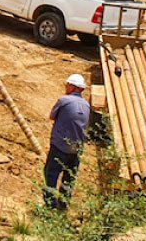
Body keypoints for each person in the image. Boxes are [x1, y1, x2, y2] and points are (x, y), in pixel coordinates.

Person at [43, 73, 91, 210]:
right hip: (76, 149)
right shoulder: (87, 105)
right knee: (69, 178)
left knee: (51, 174)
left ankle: (50, 206)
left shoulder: (64, 101)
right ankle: (63, 204)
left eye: (67, 85)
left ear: (71, 87)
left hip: (60, 146)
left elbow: (52, 116)